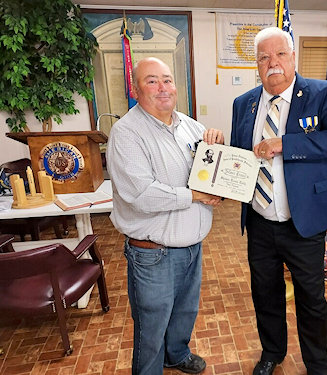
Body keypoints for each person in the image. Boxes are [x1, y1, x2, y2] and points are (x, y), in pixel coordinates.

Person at [230, 27, 327, 375]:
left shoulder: (322, 93)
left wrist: (285, 143)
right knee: (265, 294)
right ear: (256, 64)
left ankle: (318, 364)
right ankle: (272, 353)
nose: (273, 63)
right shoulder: (244, 104)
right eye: (264, 57)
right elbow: (240, 158)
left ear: (293, 57)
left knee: (311, 299)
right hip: (258, 221)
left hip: (304, 223)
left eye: (280, 54)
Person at [106, 57, 224, 375]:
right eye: (152, 81)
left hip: (192, 245)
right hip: (152, 253)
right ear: (135, 89)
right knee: (152, 324)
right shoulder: (126, 133)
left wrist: (219, 154)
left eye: (167, 80)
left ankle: (177, 354)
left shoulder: (192, 127)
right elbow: (142, 195)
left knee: (185, 312)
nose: (163, 88)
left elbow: (211, 174)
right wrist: (196, 195)